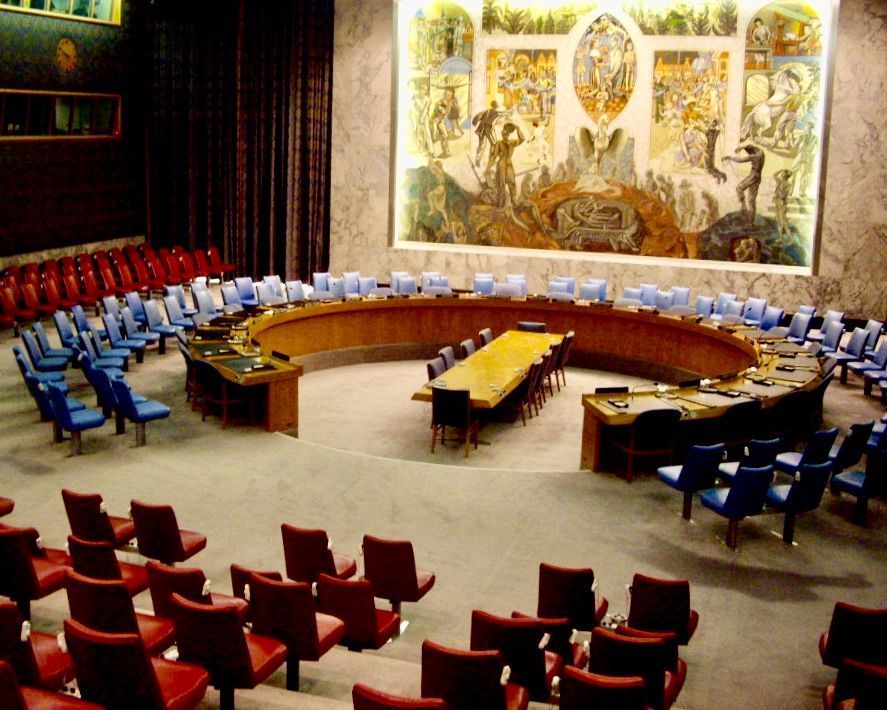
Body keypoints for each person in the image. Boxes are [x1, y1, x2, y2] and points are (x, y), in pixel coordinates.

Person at [723, 144, 766, 223]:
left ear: (752, 152)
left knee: (739, 188)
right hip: (758, 177)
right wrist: (742, 148)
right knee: (751, 200)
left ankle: (743, 207)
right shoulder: (761, 152)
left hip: (753, 176)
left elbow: (740, 160)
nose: (749, 154)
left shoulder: (754, 156)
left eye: (749, 153)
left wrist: (729, 157)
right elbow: (752, 147)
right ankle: (751, 223)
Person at [487, 122, 524, 208]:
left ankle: (513, 201)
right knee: (501, 184)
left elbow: (522, 139)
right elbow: (494, 157)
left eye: (507, 134)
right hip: (501, 164)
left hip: (509, 164)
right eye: (504, 134)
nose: (506, 135)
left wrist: (518, 129)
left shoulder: (512, 142)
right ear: (502, 135)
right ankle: (500, 203)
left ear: (509, 134)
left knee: (512, 182)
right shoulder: (498, 143)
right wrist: (488, 167)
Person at [472, 100, 506, 167]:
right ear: (495, 106)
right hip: (488, 129)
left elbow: (478, 117)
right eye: (497, 107)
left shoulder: (488, 111)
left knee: (482, 145)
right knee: (494, 144)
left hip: (481, 129)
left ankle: (478, 159)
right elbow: (492, 122)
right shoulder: (496, 112)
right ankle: (491, 160)